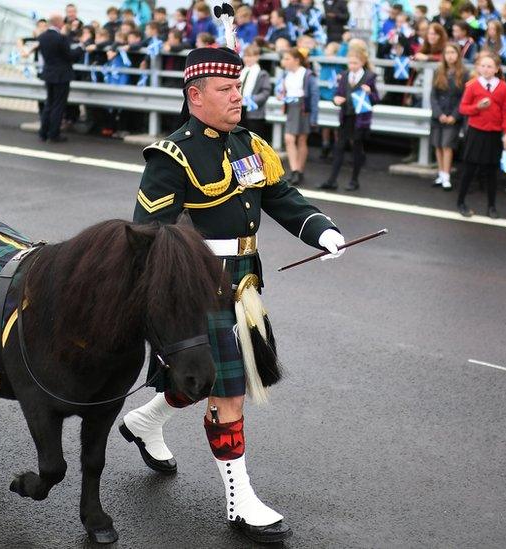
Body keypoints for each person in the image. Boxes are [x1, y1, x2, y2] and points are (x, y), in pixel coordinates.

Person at [123, 41, 346, 546]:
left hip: (245, 284)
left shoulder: (249, 143)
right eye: (225, 89)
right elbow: (148, 236)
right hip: (198, 289)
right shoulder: (171, 155)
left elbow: (282, 197)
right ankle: (240, 500)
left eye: (238, 87)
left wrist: (320, 229)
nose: (236, 97)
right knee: (229, 393)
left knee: (211, 378)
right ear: (195, 96)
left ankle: (143, 421)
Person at [456, 51, 506, 218]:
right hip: (476, 132)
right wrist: (477, 107)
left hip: (494, 134)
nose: (486, 69)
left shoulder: (503, 87)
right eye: (483, 66)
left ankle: (491, 206)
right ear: (478, 68)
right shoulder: (472, 85)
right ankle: (461, 201)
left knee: (491, 170)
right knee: (470, 168)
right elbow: (463, 108)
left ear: (496, 69)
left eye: (490, 66)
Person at [318, 46, 379, 190]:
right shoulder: (344, 75)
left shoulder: (369, 77)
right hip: (345, 117)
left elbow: (376, 99)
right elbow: (337, 93)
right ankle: (332, 180)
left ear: (363, 62)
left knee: (356, 148)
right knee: (338, 147)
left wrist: (370, 93)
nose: (352, 66)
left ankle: (354, 180)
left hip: (359, 119)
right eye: (350, 63)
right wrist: (335, 100)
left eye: (355, 63)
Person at [37, 12, 81, 143]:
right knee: (58, 106)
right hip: (61, 75)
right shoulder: (60, 38)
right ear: (58, 22)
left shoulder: (42, 37)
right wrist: (81, 48)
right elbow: (70, 56)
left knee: (49, 104)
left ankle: (43, 132)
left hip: (48, 74)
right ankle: (54, 134)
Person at [279, 47, 319, 185]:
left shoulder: (307, 75)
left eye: (287, 59)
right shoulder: (286, 74)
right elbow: (282, 91)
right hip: (292, 107)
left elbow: (314, 97)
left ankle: (299, 171)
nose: (284, 62)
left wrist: (314, 117)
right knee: (289, 138)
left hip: (303, 108)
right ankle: (294, 169)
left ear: (296, 60)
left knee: (302, 140)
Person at [430, 43, 466, 190]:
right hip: (438, 115)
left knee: (447, 145)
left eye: (453, 53)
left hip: (453, 116)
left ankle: (446, 175)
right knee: (437, 145)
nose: (450, 56)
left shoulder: (464, 73)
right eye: (447, 53)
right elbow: (433, 96)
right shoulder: (438, 71)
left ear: (458, 55)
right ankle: (440, 173)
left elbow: (464, 97)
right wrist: (439, 114)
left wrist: (455, 115)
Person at [239, 44, 273, 137]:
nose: (247, 59)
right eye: (246, 56)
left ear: (257, 57)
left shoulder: (262, 74)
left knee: (254, 138)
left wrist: (252, 99)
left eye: (251, 56)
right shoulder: (241, 72)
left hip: (254, 112)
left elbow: (265, 92)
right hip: (240, 109)